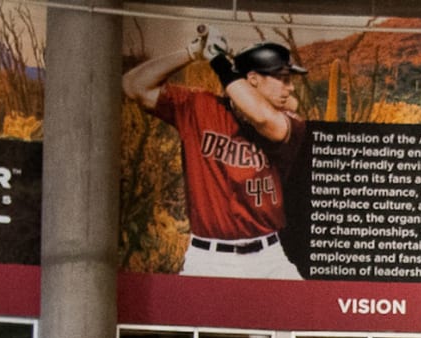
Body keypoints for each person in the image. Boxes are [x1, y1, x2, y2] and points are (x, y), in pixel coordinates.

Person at [123, 34, 309, 280]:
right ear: (252, 79)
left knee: (307, 317)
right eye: (283, 79)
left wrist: (219, 62)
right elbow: (133, 85)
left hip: (269, 257)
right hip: (208, 258)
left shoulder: (289, 119)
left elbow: (262, 118)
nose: (291, 88)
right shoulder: (200, 106)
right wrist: (191, 52)